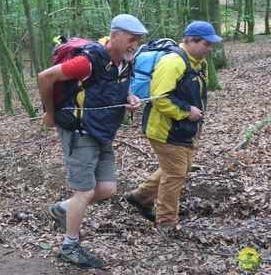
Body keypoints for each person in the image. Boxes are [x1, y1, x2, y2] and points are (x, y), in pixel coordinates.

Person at [37, 14, 148, 268]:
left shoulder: (125, 63)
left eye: (138, 40)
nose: (134, 45)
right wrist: (50, 112)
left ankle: (63, 209)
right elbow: (45, 77)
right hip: (79, 131)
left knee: (107, 188)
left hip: (103, 132)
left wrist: (129, 98)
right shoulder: (89, 61)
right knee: (84, 191)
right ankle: (69, 245)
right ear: (115, 35)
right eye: (131, 39)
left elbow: (117, 87)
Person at [122, 21, 221, 229]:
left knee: (179, 169)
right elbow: (159, 99)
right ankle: (167, 222)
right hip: (164, 130)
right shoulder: (172, 62)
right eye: (206, 43)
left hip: (185, 128)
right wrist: (187, 112)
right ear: (191, 41)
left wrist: (198, 123)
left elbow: (198, 97)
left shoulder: (198, 63)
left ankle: (140, 197)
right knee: (175, 173)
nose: (210, 49)